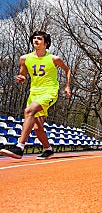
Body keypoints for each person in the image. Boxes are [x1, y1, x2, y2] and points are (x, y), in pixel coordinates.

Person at [0, 31, 72, 159]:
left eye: (39, 38)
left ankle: (19, 147)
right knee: (37, 126)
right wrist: (21, 77)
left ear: (46, 43)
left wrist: (67, 86)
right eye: (34, 38)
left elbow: (67, 70)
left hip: (49, 91)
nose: (36, 40)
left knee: (29, 111)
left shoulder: (54, 59)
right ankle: (48, 149)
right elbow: (22, 74)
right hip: (34, 93)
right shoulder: (25, 58)